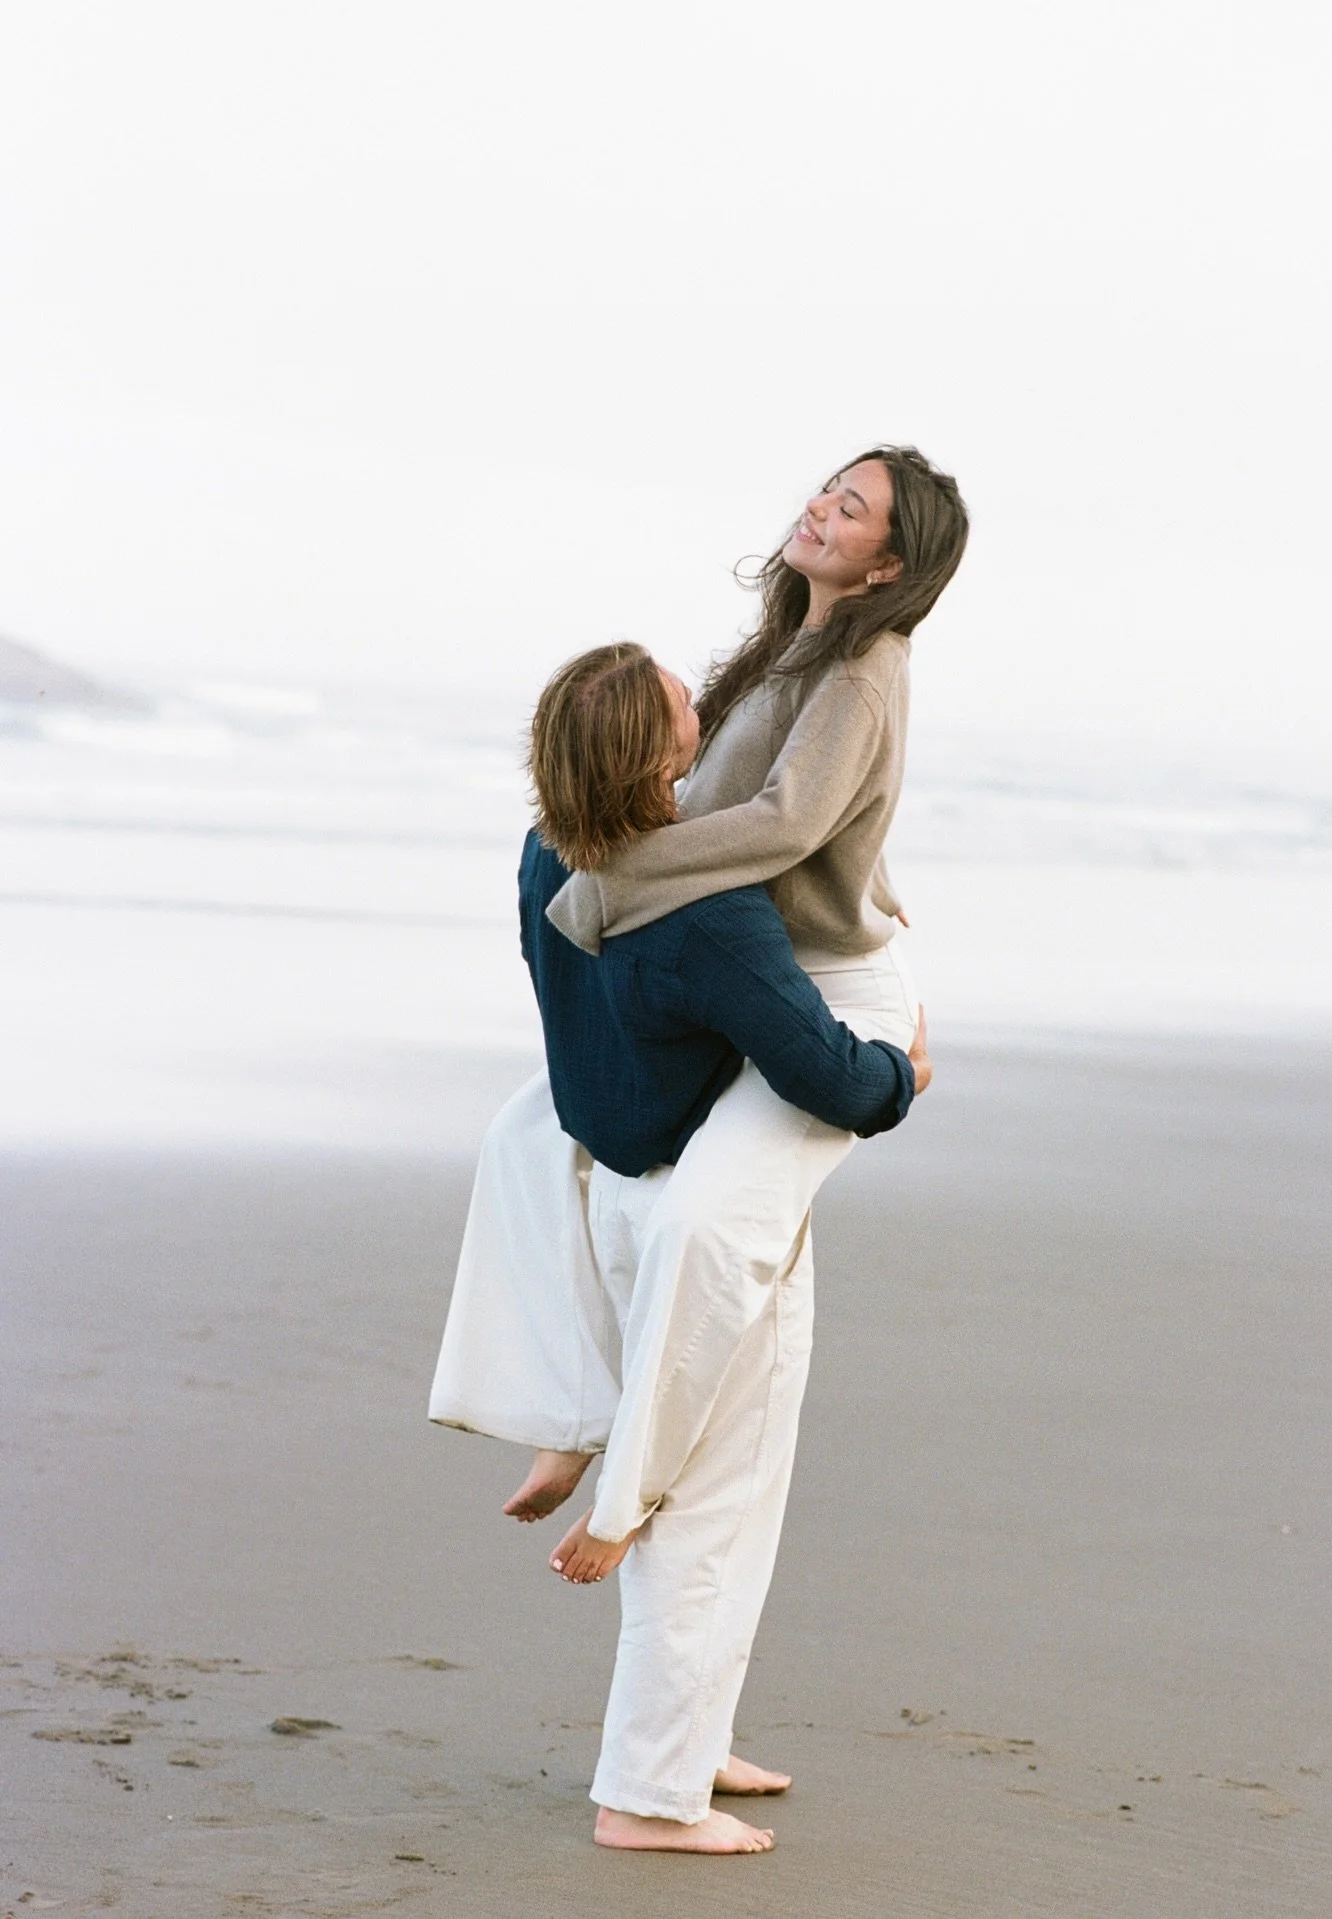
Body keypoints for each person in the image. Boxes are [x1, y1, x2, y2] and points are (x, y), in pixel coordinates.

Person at [429, 442, 968, 1846]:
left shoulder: (845, 680)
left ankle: (624, 1504)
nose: (822, 508)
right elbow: (811, 808)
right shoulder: (788, 640)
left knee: (697, 1249)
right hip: (774, 991)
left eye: (855, 509)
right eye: (829, 489)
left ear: (893, 565)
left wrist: (891, 1050)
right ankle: (657, 1742)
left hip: (830, 1000)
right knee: (559, 1159)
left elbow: (793, 818)